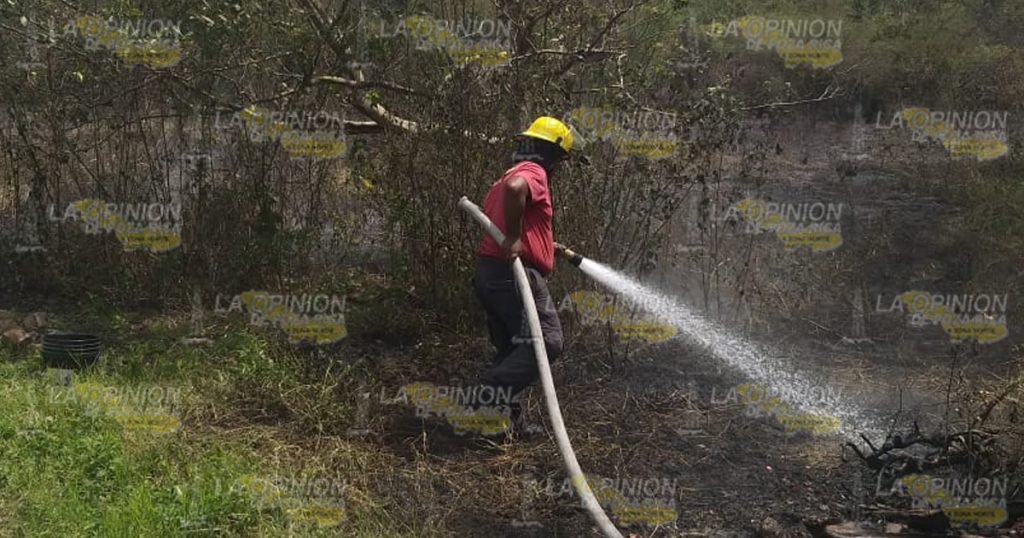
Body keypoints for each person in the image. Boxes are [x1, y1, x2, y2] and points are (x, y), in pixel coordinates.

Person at [471, 116, 574, 437]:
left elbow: (511, 207)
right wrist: (516, 238)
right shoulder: (533, 172)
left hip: (489, 272)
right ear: (554, 154)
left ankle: (502, 425)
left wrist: (542, 243)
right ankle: (483, 397)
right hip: (513, 276)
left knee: (513, 347)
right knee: (547, 341)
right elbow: (518, 193)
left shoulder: (508, 175)